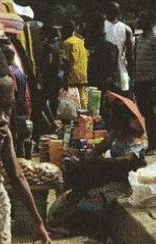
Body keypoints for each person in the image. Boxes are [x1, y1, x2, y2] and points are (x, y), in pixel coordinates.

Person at [0, 45, 51, 244]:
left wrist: (38, 222)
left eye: (7, 108)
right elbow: (16, 177)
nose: (1, 118)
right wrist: (37, 221)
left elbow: (18, 176)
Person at [48, 92, 146, 235]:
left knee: (94, 197)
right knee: (75, 187)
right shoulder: (114, 135)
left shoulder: (136, 141)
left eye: (114, 116)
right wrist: (86, 157)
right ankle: (64, 220)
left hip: (124, 182)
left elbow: (128, 162)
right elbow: (98, 148)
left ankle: (81, 227)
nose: (110, 119)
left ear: (122, 119)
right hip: (108, 174)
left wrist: (101, 163)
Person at [133, 10, 156, 155]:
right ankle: (151, 144)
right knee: (146, 113)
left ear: (150, 21)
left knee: (153, 114)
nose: (138, 20)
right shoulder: (140, 38)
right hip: (141, 82)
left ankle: (155, 145)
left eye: (142, 18)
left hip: (151, 83)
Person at [2, 45, 32, 158]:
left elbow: (13, 91)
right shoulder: (18, 70)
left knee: (15, 136)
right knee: (21, 137)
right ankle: (25, 156)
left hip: (16, 107)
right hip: (22, 106)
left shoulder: (10, 72)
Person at [84, 13, 120, 96]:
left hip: (99, 91)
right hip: (102, 90)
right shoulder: (110, 46)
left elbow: (101, 74)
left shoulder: (101, 48)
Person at [104, 2, 134, 96]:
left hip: (117, 69)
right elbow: (130, 56)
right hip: (109, 69)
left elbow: (130, 55)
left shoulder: (126, 29)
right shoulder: (126, 29)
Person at [61, 20, 89, 109]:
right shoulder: (81, 41)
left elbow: (65, 62)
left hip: (72, 76)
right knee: (82, 99)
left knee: (72, 101)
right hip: (83, 75)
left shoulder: (67, 42)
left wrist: (64, 80)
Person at [40, 26, 64, 117]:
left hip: (49, 76)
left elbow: (48, 61)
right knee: (54, 99)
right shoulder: (58, 44)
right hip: (57, 75)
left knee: (42, 99)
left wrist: (40, 73)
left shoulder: (48, 46)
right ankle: (54, 118)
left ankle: (51, 121)